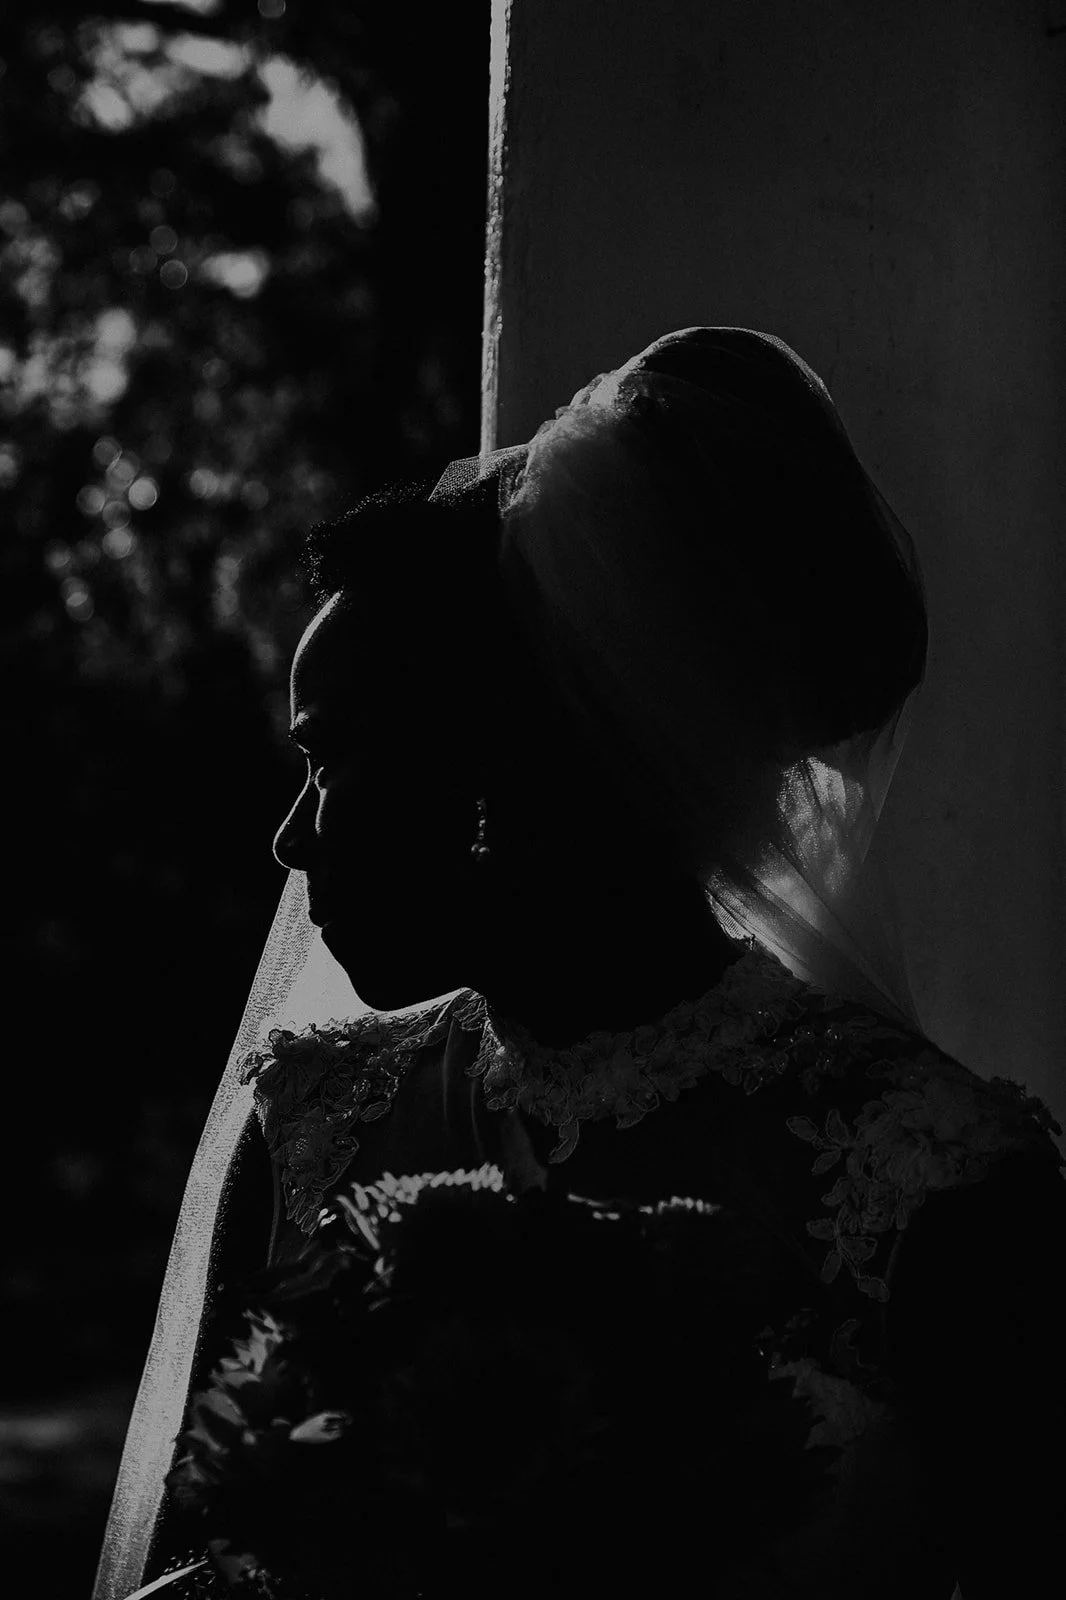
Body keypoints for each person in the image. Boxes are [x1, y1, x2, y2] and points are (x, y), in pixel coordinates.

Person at [95, 329, 1064, 1600]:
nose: (292, 836)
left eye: (337, 763)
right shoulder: (310, 1123)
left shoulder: (933, 1183)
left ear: (500, 760)